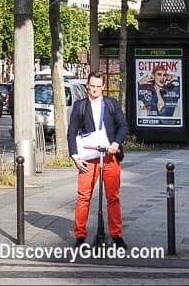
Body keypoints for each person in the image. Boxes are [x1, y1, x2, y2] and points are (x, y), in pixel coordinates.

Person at [67, 71, 128, 249]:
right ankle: (80, 236)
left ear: (103, 87)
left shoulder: (111, 104)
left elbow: (123, 125)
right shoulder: (80, 106)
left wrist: (116, 143)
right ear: (87, 86)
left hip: (109, 156)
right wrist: (75, 156)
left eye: (98, 86)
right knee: (83, 196)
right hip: (88, 157)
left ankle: (116, 235)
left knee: (112, 196)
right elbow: (72, 132)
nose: (94, 89)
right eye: (91, 86)